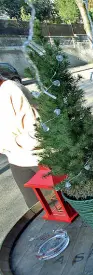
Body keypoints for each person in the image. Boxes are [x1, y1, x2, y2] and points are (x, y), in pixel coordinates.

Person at [0, 75, 40, 208]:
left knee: (54, 205)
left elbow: (35, 132)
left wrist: (10, 143)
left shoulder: (11, 90)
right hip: (15, 160)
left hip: (37, 159)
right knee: (35, 210)